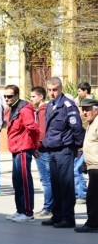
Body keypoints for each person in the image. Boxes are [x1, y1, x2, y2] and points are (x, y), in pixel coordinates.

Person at [41, 77, 85, 229]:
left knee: (66, 185)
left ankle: (68, 218)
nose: (52, 93)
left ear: (60, 89)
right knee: (56, 184)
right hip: (52, 150)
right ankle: (57, 215)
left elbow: (77, 128)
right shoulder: (50, 105)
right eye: (50, 90)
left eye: (55, 90)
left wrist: (78, 147)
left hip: (65, 149)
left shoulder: (68, 105)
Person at [2, 85, 40, 222]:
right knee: (17, 181)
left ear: (17, 95)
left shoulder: (24, 109)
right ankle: (20, 210)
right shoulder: (12, 108)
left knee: (24, 181)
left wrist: (35, 146)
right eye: (5, 96)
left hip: (24, 148)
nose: (7, 99)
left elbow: (34, 129)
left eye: (10, 96)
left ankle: (28, 213)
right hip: (16, 148)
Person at [75, 98, 98, 233]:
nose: (84, 112)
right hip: (92, 164)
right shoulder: (92, 122)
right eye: (83, 110)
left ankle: (92, 224)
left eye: (87, 110)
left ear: (96, 110)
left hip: (97, 165)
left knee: (92, 197)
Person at [30, 86, 52, 218]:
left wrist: (36, 146)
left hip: (42, 149)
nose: (31, 99)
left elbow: (42, 131)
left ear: (41, 96)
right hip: (44, 148)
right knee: (48, 179)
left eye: (33, 96)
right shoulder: (43, 109)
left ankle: (48, 207)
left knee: (46, 180)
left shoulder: (43, 110)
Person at [74, 82, 91, 204]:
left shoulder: (88, 104)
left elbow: (82, 121)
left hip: (85, 141)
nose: (78, 93)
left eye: (80, 91)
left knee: (76, 169)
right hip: (83, 140)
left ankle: (82, 193)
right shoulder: (83, 103)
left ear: (85, 91)